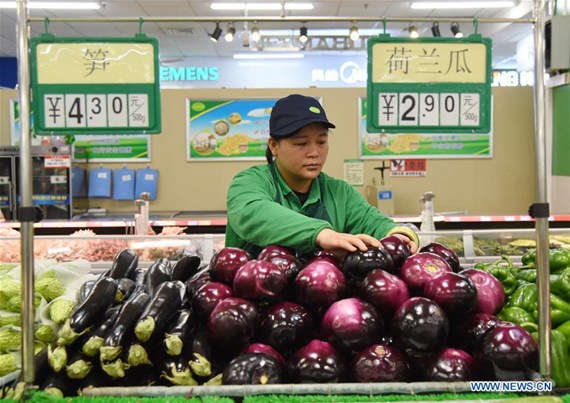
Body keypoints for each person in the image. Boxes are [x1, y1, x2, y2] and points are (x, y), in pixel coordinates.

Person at [225, 94, 419, 259]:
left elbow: (375, 223)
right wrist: (322, 234)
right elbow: (252, 212)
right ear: (274, 145)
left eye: (322, 141)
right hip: (254, 298)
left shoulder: (339, 192)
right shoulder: (249, 182)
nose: (314, 152)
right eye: (301, 143)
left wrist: (400, 235)